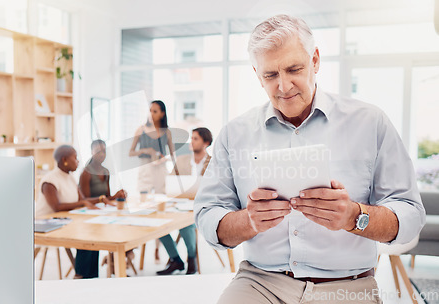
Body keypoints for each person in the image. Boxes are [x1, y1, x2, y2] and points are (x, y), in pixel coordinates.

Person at [194, 15, 426, 304]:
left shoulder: (370, 123)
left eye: (294, 69)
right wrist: (248, 221)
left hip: (347, 287)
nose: (283, 85)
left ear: (315, 60)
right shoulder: (235, 133)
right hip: (260, 282)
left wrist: (354, 216)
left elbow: (411, 216)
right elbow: (206, 216)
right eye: (270, 75)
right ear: (257, 74)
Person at [35, 145, 115, 279]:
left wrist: (102, 199)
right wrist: (83, 203)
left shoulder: (70, 177)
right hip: (45, 224)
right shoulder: (49, 181)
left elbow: (82, 200)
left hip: (64, 221)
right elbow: (57, 207)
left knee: (93, 233)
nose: (78, 161)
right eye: (75, 158)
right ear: (65, 160)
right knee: (85, 234)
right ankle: (80, 275)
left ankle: (91, 277)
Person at [156, 127, 213, 275]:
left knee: (186, 223)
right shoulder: (181, 160)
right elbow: (169, 182)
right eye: (191, 138)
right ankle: (176, 259)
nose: (191, 142)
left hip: (203, 206)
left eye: (195, 139)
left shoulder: (213, 163)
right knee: (157, 224)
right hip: (179, 204)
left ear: (205, 143)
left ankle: (192, 259)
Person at [77, 139, 128, 279]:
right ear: (92, 152)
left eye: (104, 151)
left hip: (102, 213)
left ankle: (114, 266)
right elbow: (84, 200)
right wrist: (101, 199)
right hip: (88, 214)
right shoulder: (86, 173)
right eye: (98, 151)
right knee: (90, 242)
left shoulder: (106, 171)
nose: (102, 154)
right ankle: (83, 274)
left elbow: (106, 197)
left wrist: (117, 195)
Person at [129, 100, 178, 194]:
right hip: (145, 168)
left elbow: (172, 155)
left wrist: (174, 171)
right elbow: (131, 152)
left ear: (162, 114)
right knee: (144, 197)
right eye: (150, 111)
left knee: (161, 197)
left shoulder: (166, 132)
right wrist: (146, 150)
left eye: (155, 111)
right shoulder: (141, 130)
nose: (151, 114)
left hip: (161, 169)